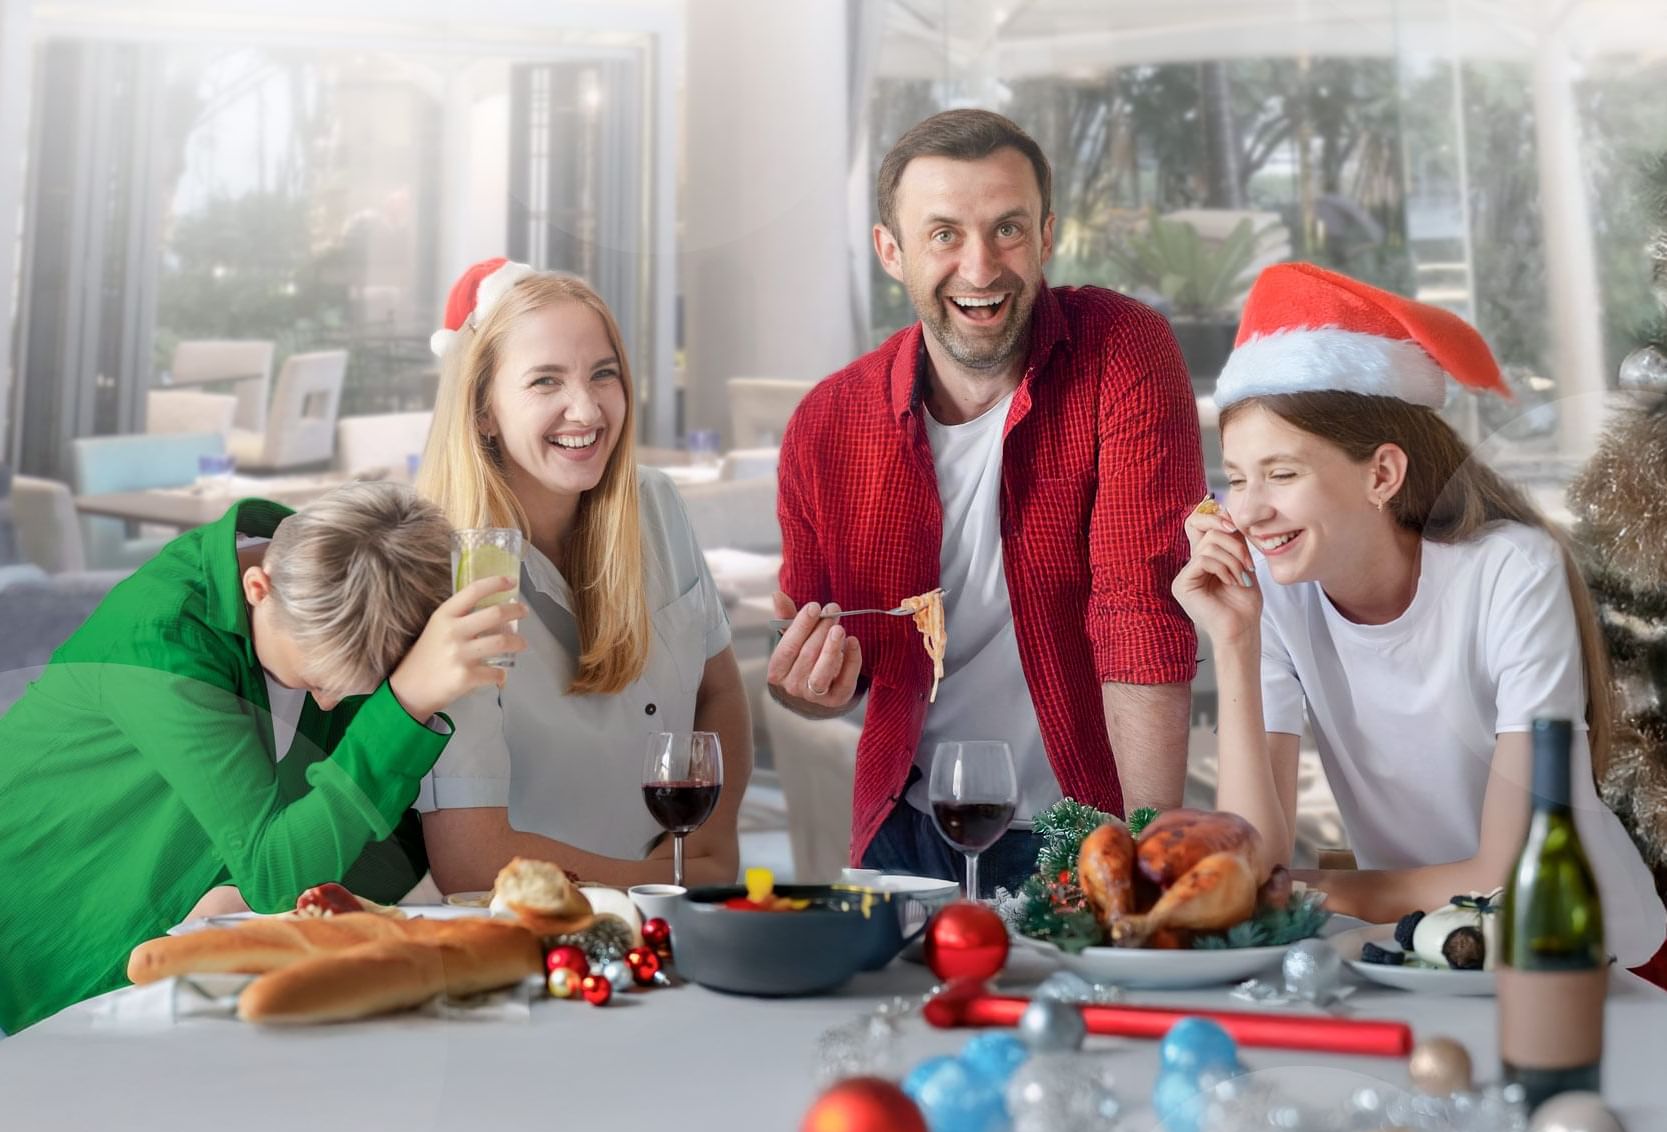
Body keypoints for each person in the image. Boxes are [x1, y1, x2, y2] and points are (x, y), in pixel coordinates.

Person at [1172, 261, 1667, 965]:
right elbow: (1253, 856)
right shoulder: (1275, 594)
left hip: (1585, 952)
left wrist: (1305, 893)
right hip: (1419, 946)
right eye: (1238, 477)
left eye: (1281, 474)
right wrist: (1231, 638)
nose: (1248, 510)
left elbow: (1501, 876)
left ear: (1381, 474)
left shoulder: (1508, 570)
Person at [770, 109, 1203, 894]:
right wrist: (807, 687)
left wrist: (1145, 859)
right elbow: (822, 658)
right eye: (943, 235)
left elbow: (1139, 609)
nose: (979, 267)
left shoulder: (1120, 351)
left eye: (1006, 229)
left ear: (1045, 237)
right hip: (906, 830)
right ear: (890, 252)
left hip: (1080, 835)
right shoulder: (824, 424)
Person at [0, 482, 522, 1032]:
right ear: (258, 587)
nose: (334, 701)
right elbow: (280, 875)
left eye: (366, 682)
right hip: (43, 943)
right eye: (319, 673)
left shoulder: (351, 595)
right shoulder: (161, 641)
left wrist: (249, 890)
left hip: (163, 971)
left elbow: (388, 853)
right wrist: (405, 705)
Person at [415, 260, 749, 891]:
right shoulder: (446, 575)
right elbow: (472, 857)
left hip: (676, 914)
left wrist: (711, 841)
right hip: (528, 937)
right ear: (482, 410)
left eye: (604, 375)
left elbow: (720, 695)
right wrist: (667, 883)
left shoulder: (655, 504)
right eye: (545, 381)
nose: (586, 408)